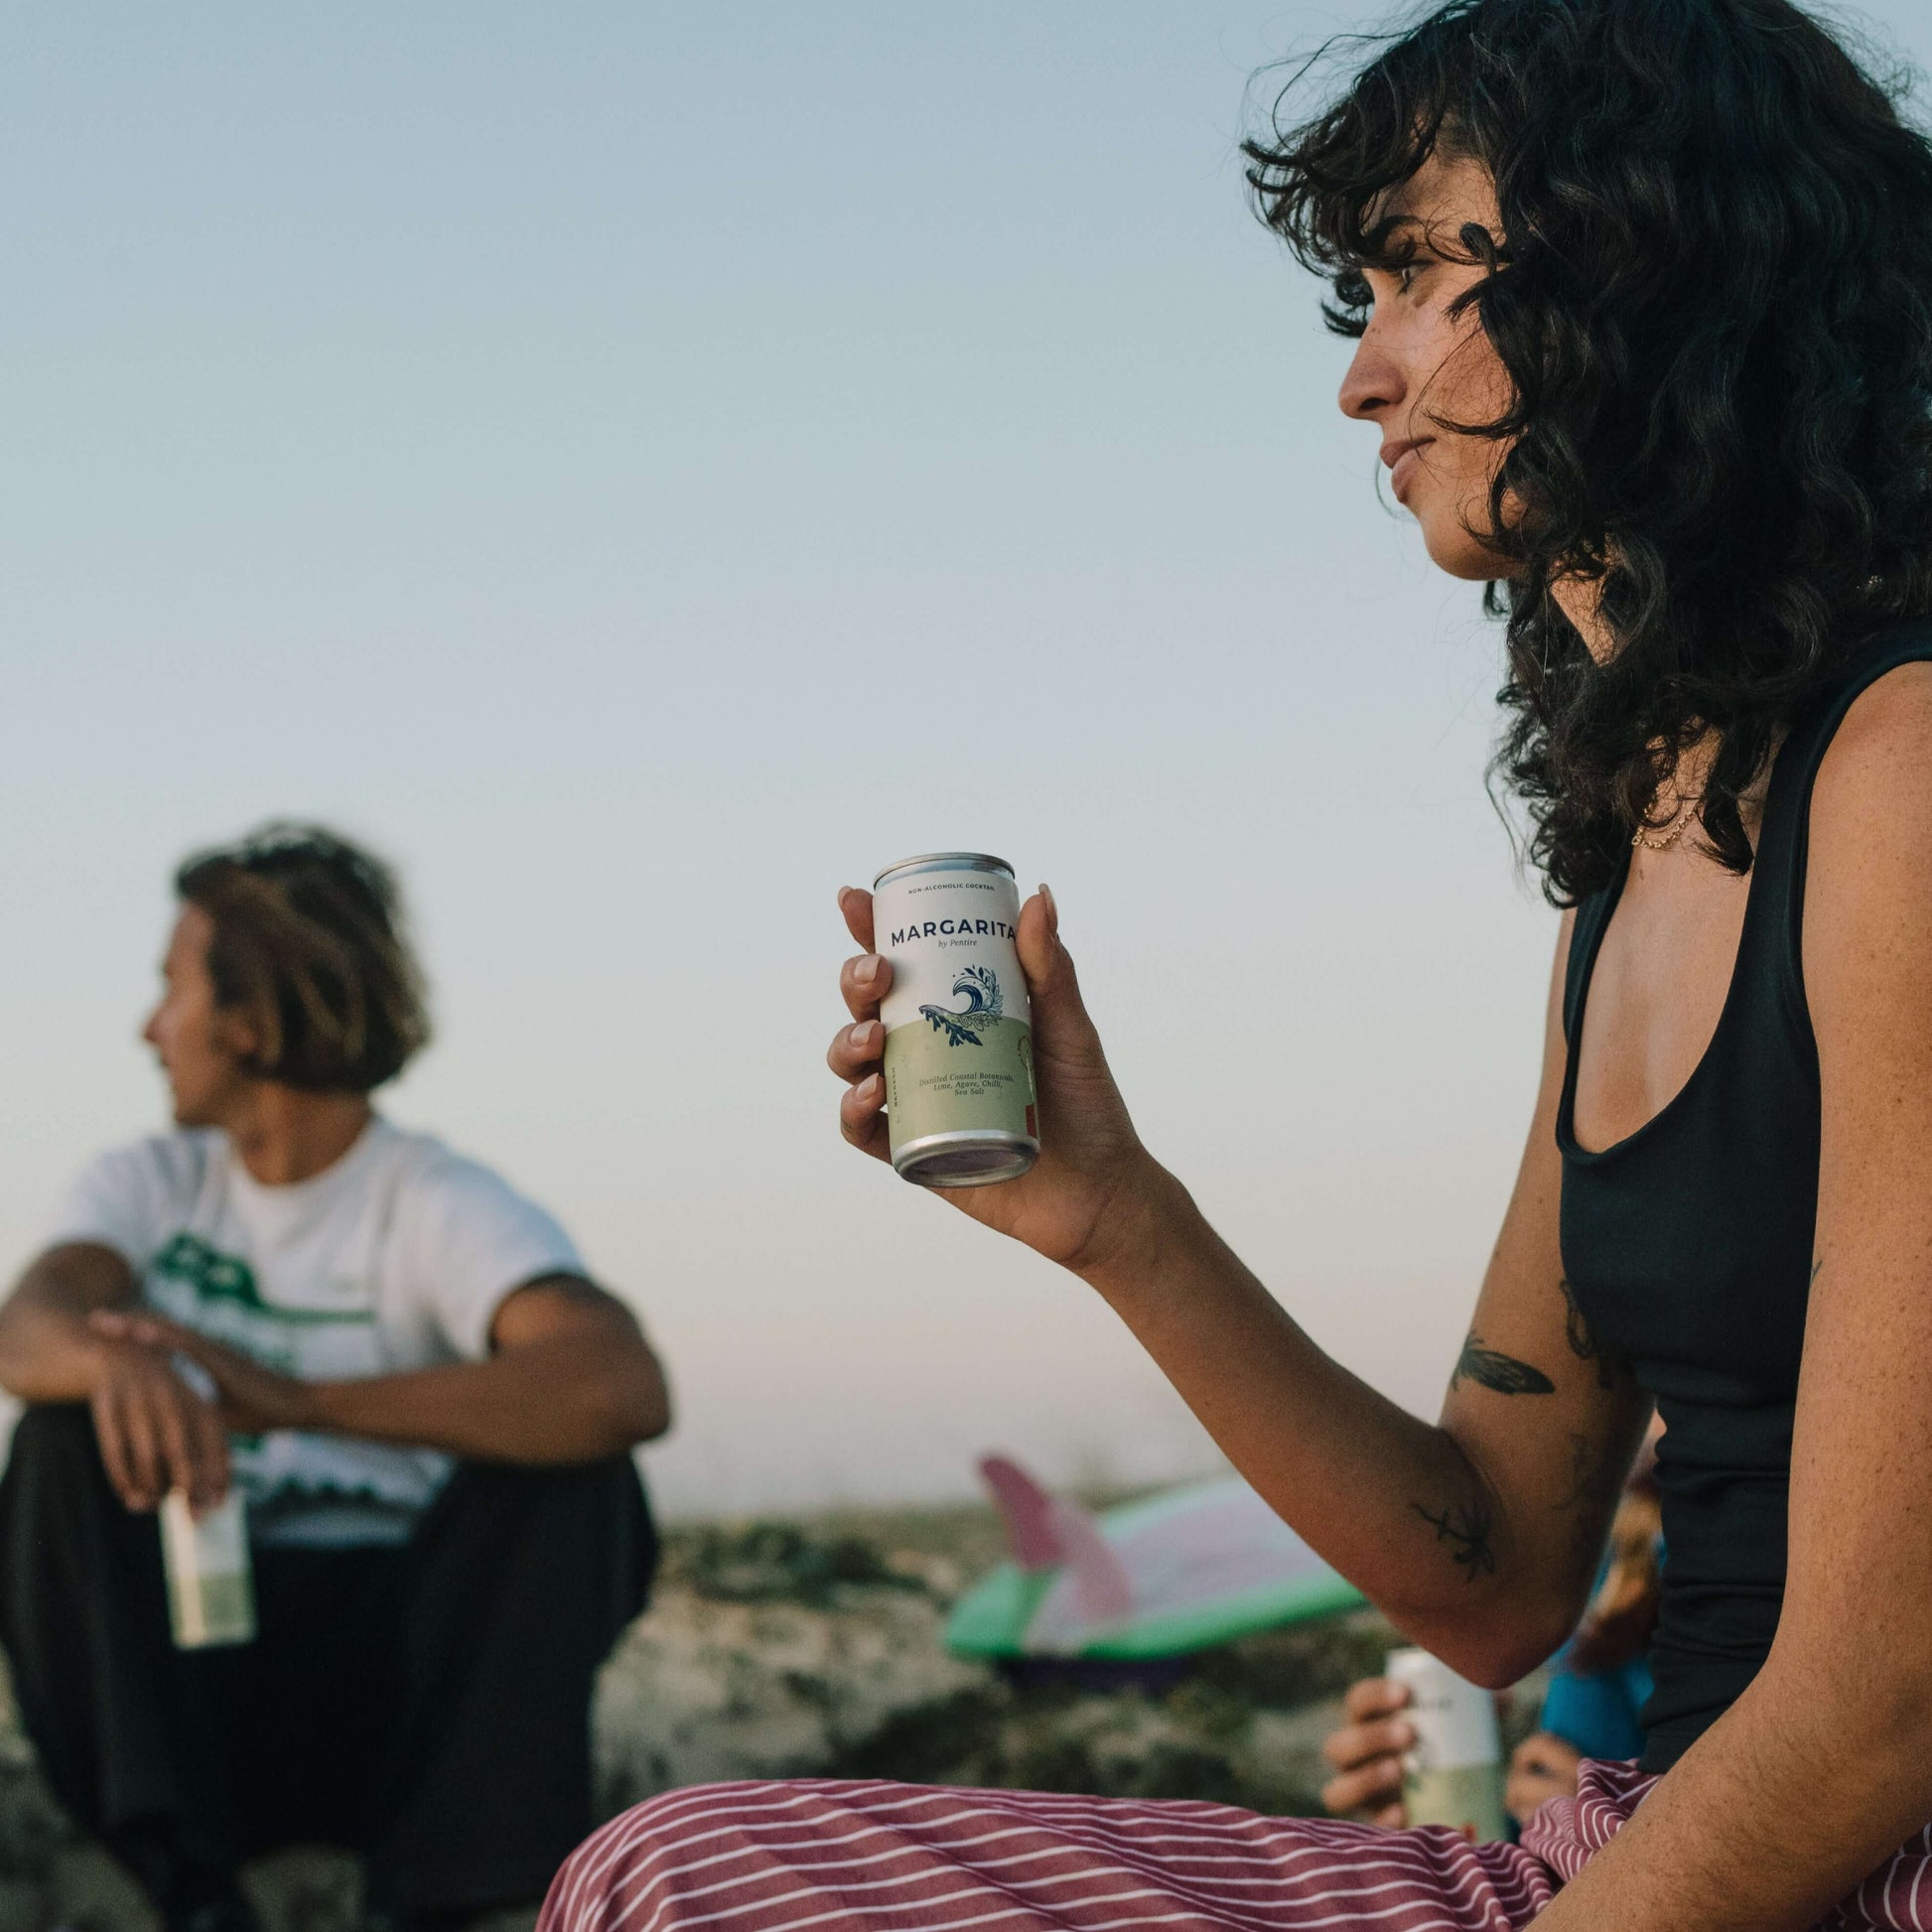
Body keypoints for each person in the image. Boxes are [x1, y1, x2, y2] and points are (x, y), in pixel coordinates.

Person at [547, 0, 1932, 1923]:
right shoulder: (1630, 879)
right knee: (668, 1878)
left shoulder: (1905, 781)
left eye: (1414, 277)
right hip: (1623, 1859)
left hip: (1835, 1871)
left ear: (1651, 258)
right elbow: (1495, 1562)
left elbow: (1877, 1707)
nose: (1361, 381)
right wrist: (1114, 1213)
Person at [0, 824, 672, 1932]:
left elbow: (621, 1382)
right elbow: (27, 1325)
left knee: (579, 1471)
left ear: (252, 1019)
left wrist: (299, 1401)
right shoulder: (153, 1180)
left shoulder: (428, 1195)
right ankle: (195, 1893)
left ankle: (446, 1894)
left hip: (398, 1699)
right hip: (194, 1688)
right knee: (56, 1437)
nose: (147, 1028)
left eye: (169, 989)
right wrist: (116, 1359)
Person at [1323, 1449, 1662, 1828]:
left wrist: (1605, 1826)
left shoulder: (1633, 1565)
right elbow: (1563, 1785)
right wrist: (1451, 1825)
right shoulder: (1619, 1574)